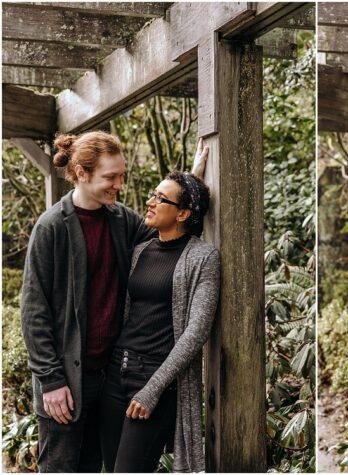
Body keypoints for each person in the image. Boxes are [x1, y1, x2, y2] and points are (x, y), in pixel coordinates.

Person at [20, 131, 156, 472]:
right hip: (63, 383)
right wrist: (51, 382)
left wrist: (192, 180)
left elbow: (162, 233)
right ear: (82, 173)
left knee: (93, 466)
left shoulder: (122, 219)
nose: (119, 184)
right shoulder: (51, 227)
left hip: (109, 377)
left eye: (122, 175)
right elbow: (34, 312)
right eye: (110, 177)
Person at [98, 168, 219, 473]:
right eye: (153, 194)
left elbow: (197, 331)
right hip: (116, 374)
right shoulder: (141, 251)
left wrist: (153, 389)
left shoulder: (203, 258)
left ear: (183, 214)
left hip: (156, 381)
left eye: (160, 198)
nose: (150, 202)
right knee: (110, 467)